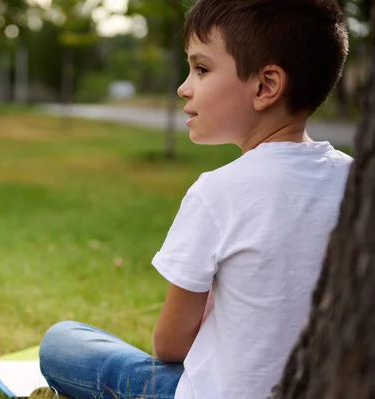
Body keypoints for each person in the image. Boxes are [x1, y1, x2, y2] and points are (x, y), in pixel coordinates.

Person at [38, 0, 353, 398]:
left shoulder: (217, 191)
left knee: (63, 342)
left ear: (266, 86)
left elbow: (170, 346)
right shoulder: (357, 182)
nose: (183, 87)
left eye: (201, 69)